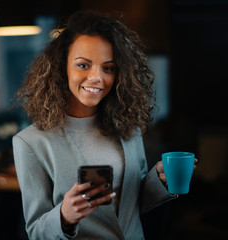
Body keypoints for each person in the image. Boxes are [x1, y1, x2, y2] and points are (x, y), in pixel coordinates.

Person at [13, 11, 196, 239]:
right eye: (83, 65)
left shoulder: (128, 128)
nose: (97, 77)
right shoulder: (30, 143)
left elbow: (132, 204)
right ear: (62, 67)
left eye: (108, 68)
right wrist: (64, 216)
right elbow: (35, 231)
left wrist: (158, 181)